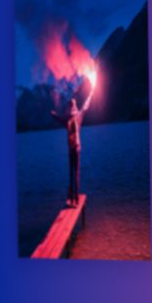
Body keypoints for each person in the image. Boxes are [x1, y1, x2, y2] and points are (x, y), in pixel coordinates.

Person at [59, 70, 94, 206]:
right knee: (73, 173)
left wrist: (91, 93)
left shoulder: (76, 117)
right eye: (71, 104)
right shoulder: (73, 117)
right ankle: (74, 198)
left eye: (71, 104)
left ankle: (75, 199)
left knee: (74, 174)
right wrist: (55, 115)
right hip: (73, 149)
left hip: (75, 149)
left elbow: (86, 105)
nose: (71, 105)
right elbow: (61, 119)